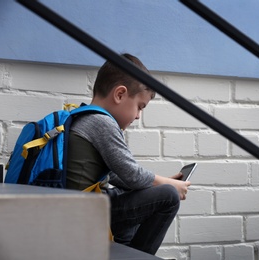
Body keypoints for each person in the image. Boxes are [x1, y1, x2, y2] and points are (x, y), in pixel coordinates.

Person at [66, 53, 191, 255]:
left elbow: (117, 175)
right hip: (84, 212)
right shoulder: (102, 123)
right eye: (140, 107)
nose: (138, 116)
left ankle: (122, 251)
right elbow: (132, 175)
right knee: (168, 196)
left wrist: (161, 182)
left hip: (84, 206)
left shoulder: (83, 116)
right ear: (120, 94)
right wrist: (168, 185)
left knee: (138, 193)